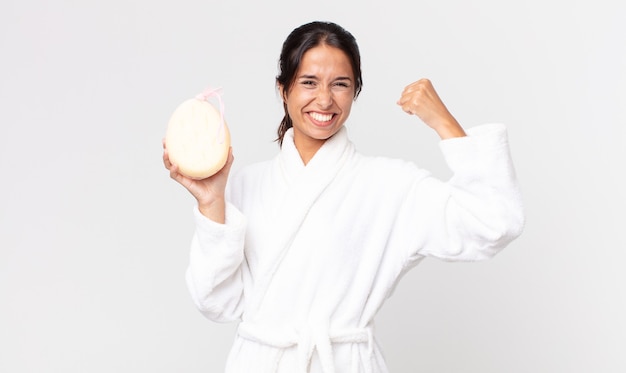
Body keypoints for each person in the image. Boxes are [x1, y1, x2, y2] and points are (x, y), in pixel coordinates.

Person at [163, 21, 524, 373]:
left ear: (355, 92)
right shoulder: (246, 184)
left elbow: (492, 223)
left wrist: (443, 122)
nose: (324, 99)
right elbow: (217, 301)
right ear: (283, 89)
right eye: (308, 82)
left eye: (340, 84)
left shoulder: (388, 185)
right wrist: (211, 203)